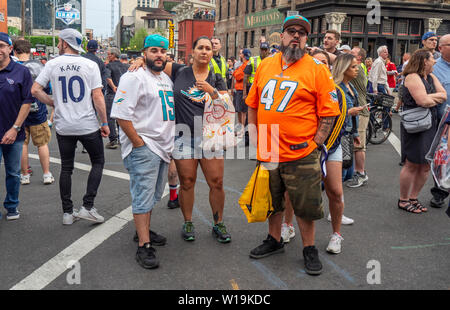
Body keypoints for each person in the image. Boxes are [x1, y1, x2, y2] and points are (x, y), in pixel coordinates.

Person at [246, 15, 340, 275]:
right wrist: (255, 138)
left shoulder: (317, 69)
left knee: (305, 205)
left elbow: (329, 112)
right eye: (291, 31)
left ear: (307, 39)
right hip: (268, 150)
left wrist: (315, 145)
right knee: (271, 200)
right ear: (283, 36)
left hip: (301, 152)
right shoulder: (265, 65)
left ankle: (309, 248)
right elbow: (252, 103)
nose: (296, 35)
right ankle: (274, 240)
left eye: (302, 32)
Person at [31, 28, 110, 225]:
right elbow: (98, 96)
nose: (58, 45)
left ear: (65, 43)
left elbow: (35, 90)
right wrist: (105, 122)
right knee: (98, 162)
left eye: (59, 42)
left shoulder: (52, 64)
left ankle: (67, 213)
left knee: (66, 168)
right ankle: (87, 206)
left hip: (64, 125)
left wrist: (52, 103)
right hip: (87, 124)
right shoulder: (89, 64)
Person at [111, 34, 173, 269]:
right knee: (142, 196)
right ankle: (143, 246)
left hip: (162, 148)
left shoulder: (165, 77)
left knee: (152, 196)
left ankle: (143, 231)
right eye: (154, 50)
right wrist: (138, 144)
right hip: (145, 147)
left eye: (162, 51)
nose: (159, 55)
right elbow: (120, 114)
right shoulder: (133, 77)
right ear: (144, 53)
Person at [398, 49, 447, 214]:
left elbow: (444, 95)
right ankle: (403, 200)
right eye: (432, 58)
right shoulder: (412, 77)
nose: (434, 61)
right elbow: (422, 101)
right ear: (424, 61)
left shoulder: (431, 77)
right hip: (416, 126)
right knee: (411, 164)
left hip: (430, 124)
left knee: (426, 165)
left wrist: (430, 98)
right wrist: (433, 98)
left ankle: (414, 197)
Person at [0, 32, 33, 221]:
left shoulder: (21, 72)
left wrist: (15, 128)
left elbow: (27, 102)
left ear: (10, 48)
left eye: (1, 46)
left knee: (13, 173)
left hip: (14, 133)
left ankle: (12, 205)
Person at [12, 39, 54, 186]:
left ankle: (24, 175)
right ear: (30, 51)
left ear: (15, 51)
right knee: (42, 144)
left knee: (22, 144)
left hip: (18, 113)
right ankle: (46, 174)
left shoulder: (12, 67)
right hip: (38, 111)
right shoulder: (39, 66)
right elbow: (47, 89)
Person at [429, 34, 450, 209]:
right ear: (441, 48)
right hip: (443, 123)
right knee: (442, 158)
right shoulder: (434, 69)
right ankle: (440, 192)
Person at [347, 47, 370, 188]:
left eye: (352, 53)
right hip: (356, 109)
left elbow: (338, 60)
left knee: (359, 145)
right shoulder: (355, 67)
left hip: (361, 111)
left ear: (359, 58)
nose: (349, 54)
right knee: (354, 143)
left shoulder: (358, 69)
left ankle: (361, 174)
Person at [104, 47, 129, 149]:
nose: (108, 56)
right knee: (120, 116)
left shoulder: (109, 66)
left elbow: (107, 77)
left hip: (112, 94)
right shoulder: (125, 66)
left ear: (113, 55)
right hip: (123, 94)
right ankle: (121, 139)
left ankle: (113, 140)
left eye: (109, 54)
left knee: (110, 117)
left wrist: (113, 86)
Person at [232, 48, 251, 134]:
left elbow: (238, 76)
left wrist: (235, 72)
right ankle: (241, 127)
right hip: (239, 89)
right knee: (239, 110)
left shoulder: (245, 65)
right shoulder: (243, 64)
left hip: (242, 89)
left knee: (243, 111)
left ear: (243, 55)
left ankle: (242, 129)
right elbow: (236, 74)